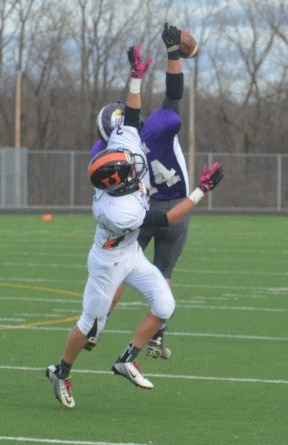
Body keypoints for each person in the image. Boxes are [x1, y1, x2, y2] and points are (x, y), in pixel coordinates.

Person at [46, 44, 223, 409]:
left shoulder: (123, 147)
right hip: (108, 262)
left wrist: (136, 77)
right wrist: (202, 190)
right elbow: (169, 217)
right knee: (89, 326)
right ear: (114, 182)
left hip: (129, 254)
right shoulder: (119, 210)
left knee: (165, 304)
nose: (131, 167)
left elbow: (130, 116)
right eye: (124, 171)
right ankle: (60, 371)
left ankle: (126, 358)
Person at [87, 23, 192, 360]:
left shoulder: (104, 152)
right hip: (174, 206)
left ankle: (97, 324)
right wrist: (173, 53)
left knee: (120, 267)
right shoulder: (159, 128)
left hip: (137, 212)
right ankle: (156, 337)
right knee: (163, 274)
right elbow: (173, 94)